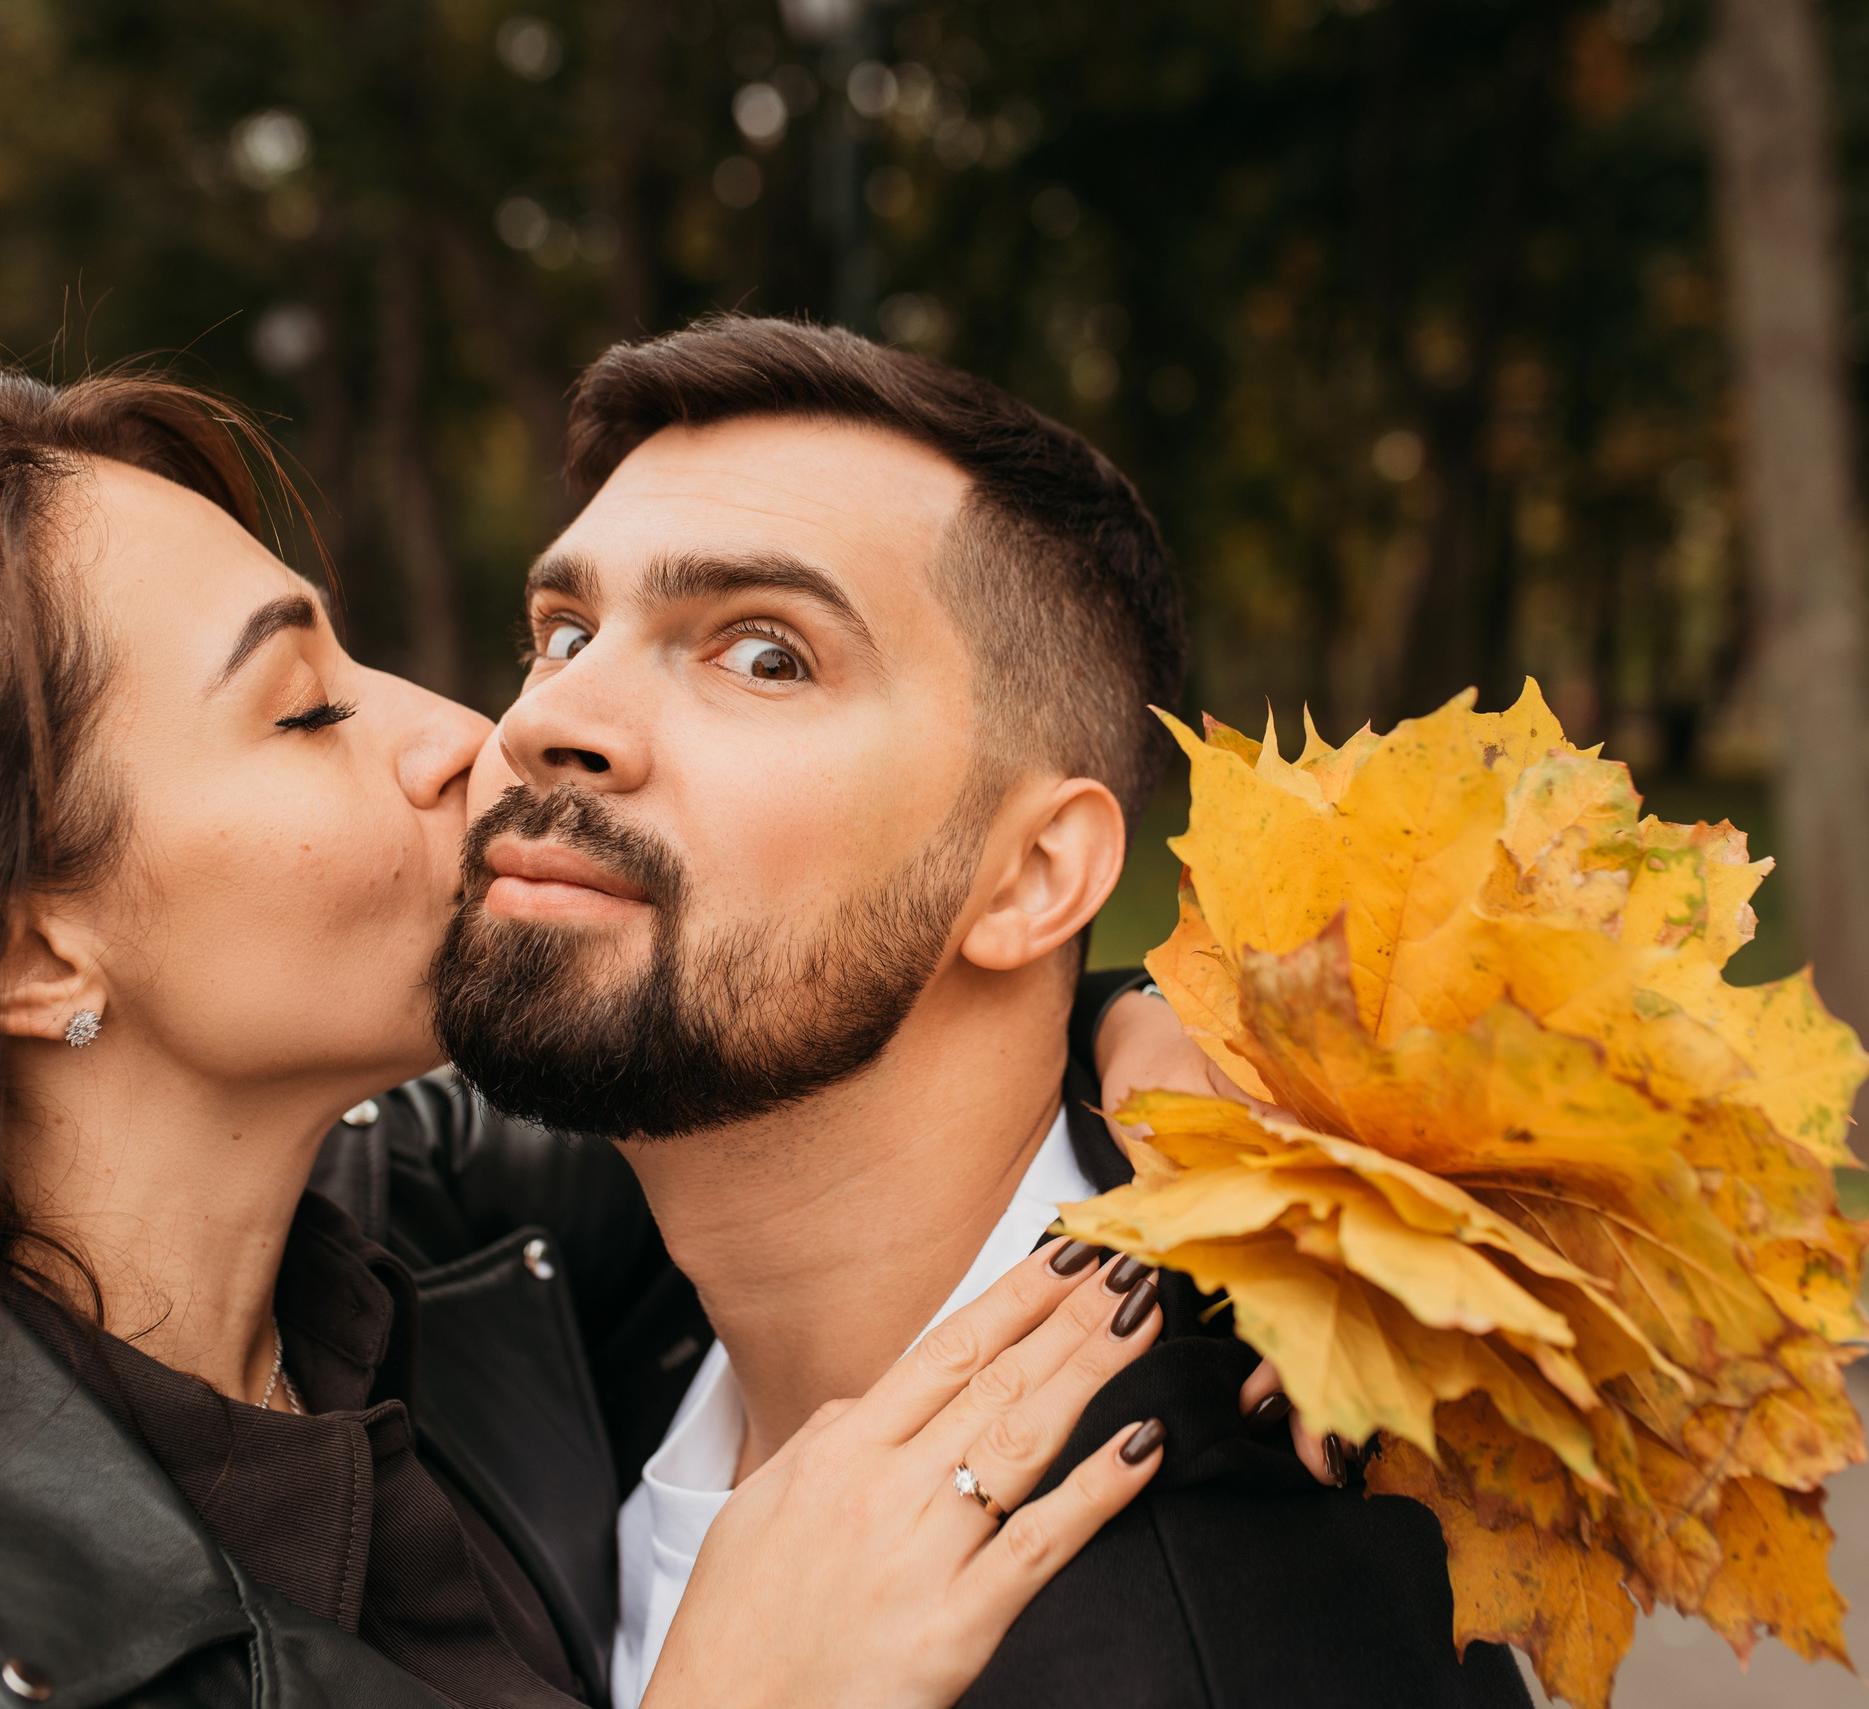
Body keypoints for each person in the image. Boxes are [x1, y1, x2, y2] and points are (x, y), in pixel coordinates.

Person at [0, 372, 1193, 1709]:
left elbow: (830, 1049)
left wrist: (1167, 1023)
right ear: (25, 950)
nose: (485, 734)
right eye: (305, 711)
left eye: (763, 655)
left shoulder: (456, 1262)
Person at [429, 318, 1536, 1708]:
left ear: (1032, 877)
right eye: (564, 633)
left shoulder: (1216, 1641)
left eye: (765, 655)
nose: (544, 720)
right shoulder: (530, 1308)